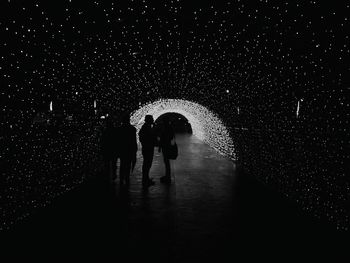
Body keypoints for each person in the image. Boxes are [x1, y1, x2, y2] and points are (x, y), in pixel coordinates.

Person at [117, 113, 137, 186]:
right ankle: (127, 178)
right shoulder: (132, 129)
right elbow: (133, 141)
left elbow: (118, 141)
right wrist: (135, 150)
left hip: (123, 149)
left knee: (122, 165)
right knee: (128, 165)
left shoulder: (119, 129)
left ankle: (122, 179)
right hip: (129, 149)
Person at [139, 115, 157, 187]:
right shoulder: (146, 127)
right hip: (148, 148)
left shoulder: (147, 126)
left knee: (147, 164)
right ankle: (145, 180)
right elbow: (150, 136)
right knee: (147, 163)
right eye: (152, 119)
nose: (153, 120)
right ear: (149, 120)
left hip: (147, 147)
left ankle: (146, 178)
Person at [101, 116, 118, 182]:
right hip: (113, 150)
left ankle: (108, 176)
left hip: (107, 150)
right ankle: (113, 175)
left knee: (107, 164)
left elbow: (103, 141)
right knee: (113, 164)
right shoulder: (115, 131)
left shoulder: (105, 132)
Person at [158, 117, 175, 184]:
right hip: (167, 146)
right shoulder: (170, 128)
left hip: (165, 146)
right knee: (167, 162)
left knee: (166, 162)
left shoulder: (166, 128)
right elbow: (171, 136)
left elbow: (162, 138)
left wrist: (160, 146)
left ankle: (168, 177)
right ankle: (167, 176)